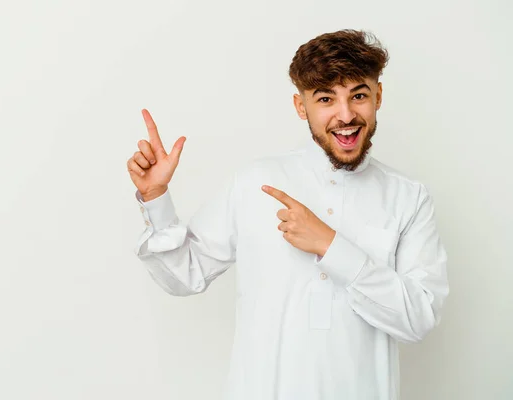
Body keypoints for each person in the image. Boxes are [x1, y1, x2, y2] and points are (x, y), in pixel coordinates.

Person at [127, 29, 449, 400]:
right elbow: (183, 275)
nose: (346, 115)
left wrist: (332, 246)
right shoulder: (254, 182)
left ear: (378, 96)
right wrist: (156, 198)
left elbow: (418, 319)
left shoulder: (409, 198)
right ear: (301, 106)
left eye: (358, 95)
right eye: (326, 98)